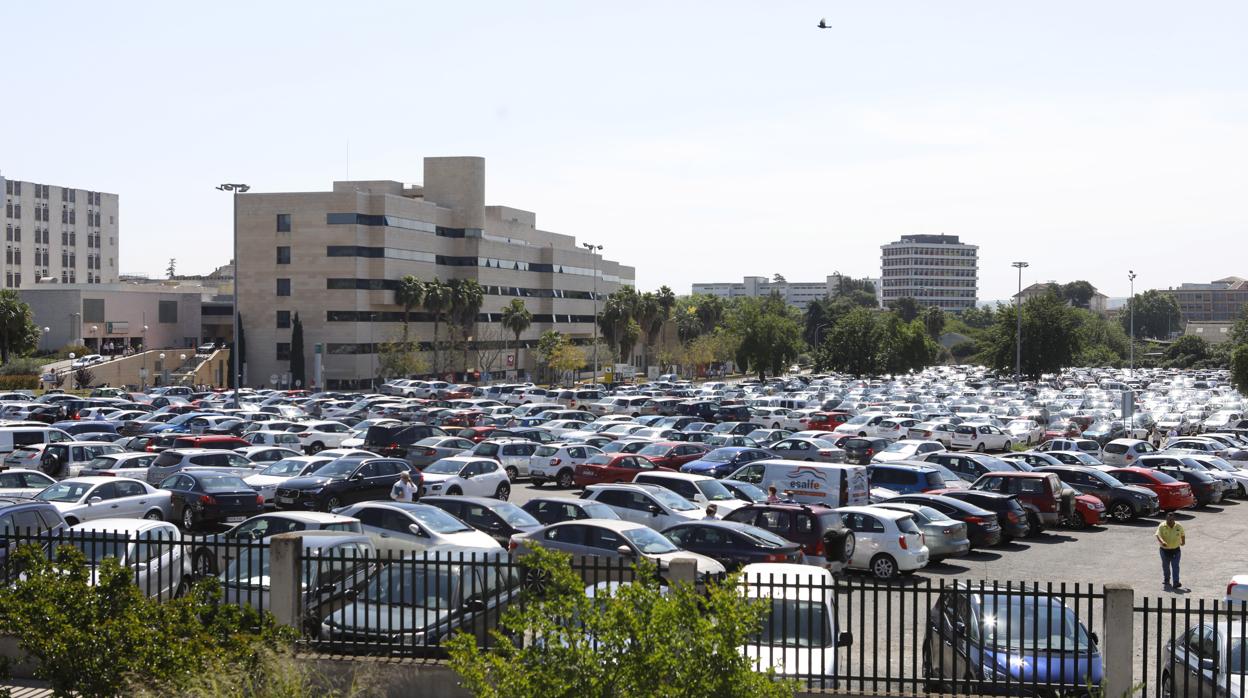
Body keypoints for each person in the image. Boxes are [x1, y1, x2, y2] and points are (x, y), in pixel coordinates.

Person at [1155, 511, 1186, 591]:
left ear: (1174, 519)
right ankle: (1166, 579)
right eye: (1168, 520)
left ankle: (1176, 582)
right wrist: (1162, 542)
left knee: (1175, 566)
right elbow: (1158, 535)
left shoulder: (1178, 526)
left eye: (1171, 520)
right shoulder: (1162, 526)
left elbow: (1182, 534)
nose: (1169, 522)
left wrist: (1183, 541)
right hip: (1164, 550)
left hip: (1176, 550)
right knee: (1166, 566)